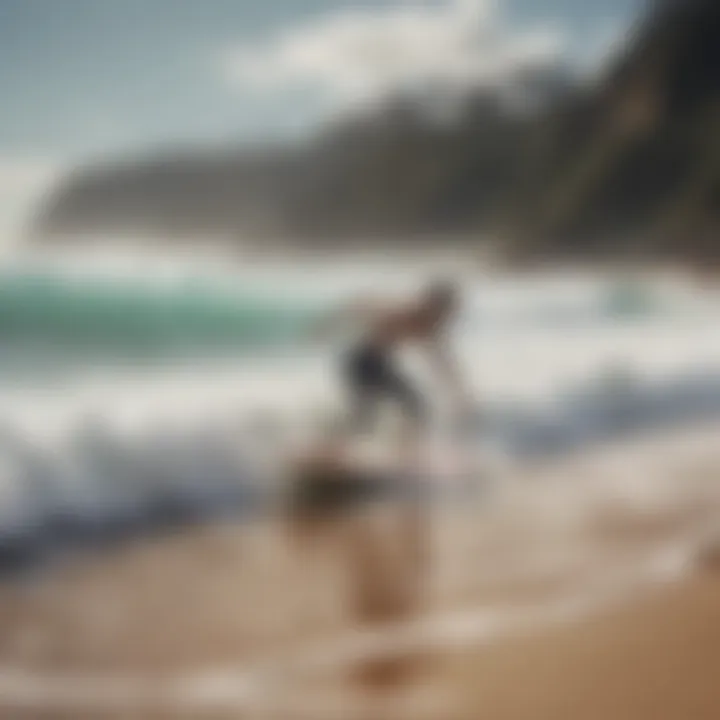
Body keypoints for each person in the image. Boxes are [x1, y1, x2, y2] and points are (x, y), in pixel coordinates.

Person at [313, 279, 468, 457]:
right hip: (360, 362)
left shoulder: (428, 327)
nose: (447, 317)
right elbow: (359, 303)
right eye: (445, 311)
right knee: (366, 416)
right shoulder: (406, 312)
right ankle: (328, 448)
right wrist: (324, 327)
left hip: (379, 365)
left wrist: (460, 395)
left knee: (415, 407)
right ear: (433, 304)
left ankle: (404, 453)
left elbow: (441, 362)